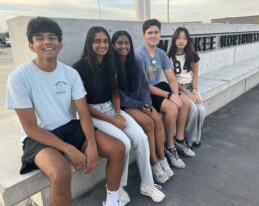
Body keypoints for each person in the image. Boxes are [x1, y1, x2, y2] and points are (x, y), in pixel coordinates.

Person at [6, 17, 125, 206]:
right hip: (39, 136)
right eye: (39, 38)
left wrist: (92, 145)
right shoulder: (19, 77)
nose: (46, 42)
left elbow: (83, 113)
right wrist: (69, 149)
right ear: (31, 45)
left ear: (60, 44)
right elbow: (30, 128)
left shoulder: (70, 74)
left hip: (70, 127)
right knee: (60, 172)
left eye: (52, 37)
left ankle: (112, 201)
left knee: (118, 148)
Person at [73, 26, 165, 204]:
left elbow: (115, 93)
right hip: (94, 114)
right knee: (124, 144)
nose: (102, 44)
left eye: (105, 41)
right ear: (89, 43)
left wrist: (117, 113)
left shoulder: (110, 64)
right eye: (97, 41)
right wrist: (111, 120)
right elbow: (82, 106)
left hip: (112, 109)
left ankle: (147, 184)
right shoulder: (79, 68)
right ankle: (117, 187)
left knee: (141, 137)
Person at [111, 30, 174, 184]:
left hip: (141, 102)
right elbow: (119, 95)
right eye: (119, 43)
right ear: (113, 45)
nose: (123, 46)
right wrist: (140, 106)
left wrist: (147, 104)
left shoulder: (135, 62)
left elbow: (145, 87)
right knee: (148, 123)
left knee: (157, 121)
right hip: (124, 106)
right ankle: (153, 163)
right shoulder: (111, 67)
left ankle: (162, 159)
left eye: (126, 43)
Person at [135, 19, 195, 169]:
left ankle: (179, 140)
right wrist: (170, 97)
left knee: (185, 102)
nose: (153, 35)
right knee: (172, 108)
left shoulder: (161, 53)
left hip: (159, 86)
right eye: (150, 33)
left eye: (156, 32)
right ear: (144, 35)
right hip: (145, 91)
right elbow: (145, 85)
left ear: (160, 34)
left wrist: (175, 95)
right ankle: (169, 147)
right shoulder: (139, 55)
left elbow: (172, 78)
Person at [168, 27, 205, 147]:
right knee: (193, 109)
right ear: (174, 39)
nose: (181, 41)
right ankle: (188, 138)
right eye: (178, 38)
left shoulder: (193, 55)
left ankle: (196, 138)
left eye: (184, 38)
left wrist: (194, 91)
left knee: (201, 109)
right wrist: (189, 94)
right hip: (179, 89)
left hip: (191, 88)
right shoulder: (170, 57)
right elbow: (172, 80)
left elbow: (195, 76)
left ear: (188, 40)